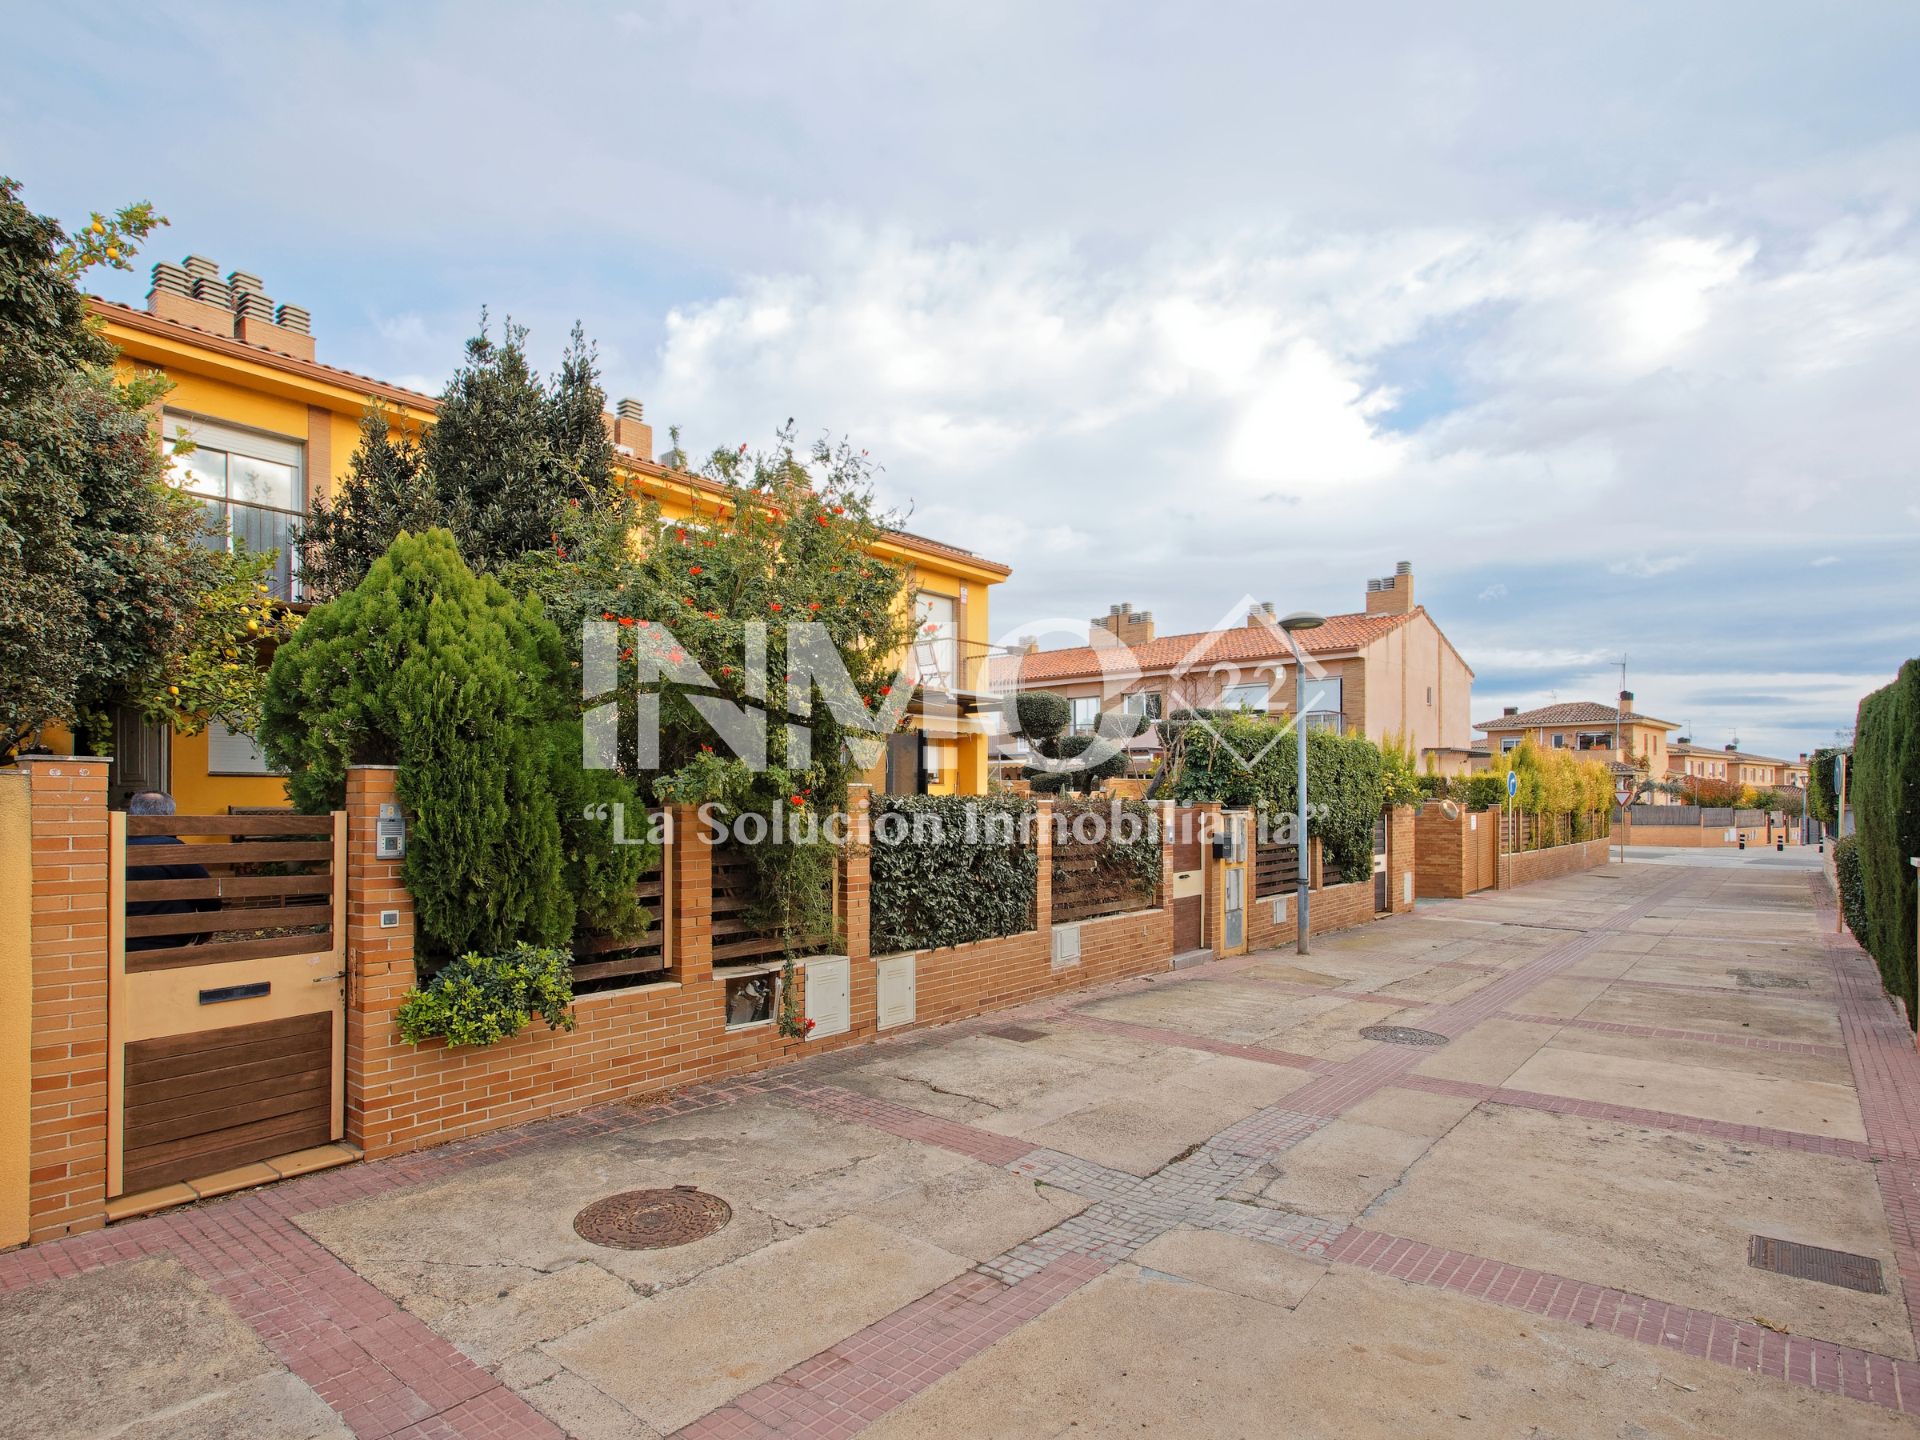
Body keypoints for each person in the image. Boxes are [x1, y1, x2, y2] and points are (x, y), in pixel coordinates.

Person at [125, 791, 218, 952]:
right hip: (169, 936)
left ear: (132, 813)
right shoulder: (173, 848)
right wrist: (206, 924)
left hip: (121, 937)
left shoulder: (117, 846)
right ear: (170, 816)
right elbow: (206, 891)